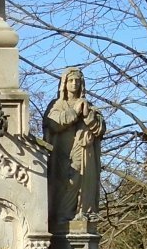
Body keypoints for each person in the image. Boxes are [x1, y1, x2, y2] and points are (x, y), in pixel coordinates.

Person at [43, 67, 105, 225]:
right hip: (62, 153)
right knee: (66, 183)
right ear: (64, 83)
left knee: (81, 181)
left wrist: (88, 116)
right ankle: (63, 216)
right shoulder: (56, 105)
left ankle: (81, 213)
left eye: (77, 80)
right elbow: (53, 124)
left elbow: (100, 129)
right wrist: (74, 112)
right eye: (71, 80)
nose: (74, 83)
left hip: (84, 151)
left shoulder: (89, 106)